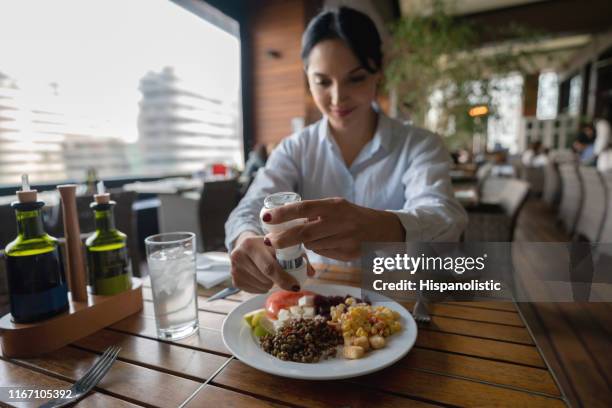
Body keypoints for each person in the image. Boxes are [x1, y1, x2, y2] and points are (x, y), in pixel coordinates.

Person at [224, 7, 468, 293]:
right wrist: (246, 240)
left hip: (400, 295)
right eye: (323, 81)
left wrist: (383, 228)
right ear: (307, 76)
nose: (338, 97)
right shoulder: (295, 148)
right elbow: (248, 211)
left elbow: (446, 219)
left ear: (379, 72)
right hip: (316, 294)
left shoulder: (419, 144)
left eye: (356, 77)